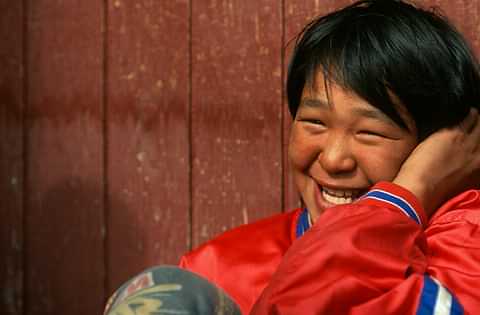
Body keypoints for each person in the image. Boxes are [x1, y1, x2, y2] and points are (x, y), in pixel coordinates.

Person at [179, 0, 480, 314]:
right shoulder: (216, 271)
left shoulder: (466, 256)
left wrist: (410, 191)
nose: (334, 160)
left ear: (440, 147)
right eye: (315, 122)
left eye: (369, 132)